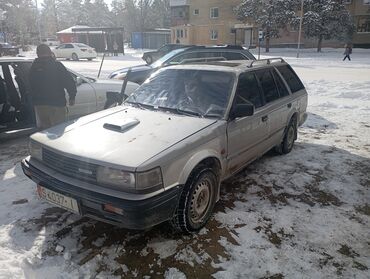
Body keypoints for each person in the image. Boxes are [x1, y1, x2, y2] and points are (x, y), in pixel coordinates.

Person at [29, 44, 77, 130]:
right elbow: (69, 82)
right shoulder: (57, 66)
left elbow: (30, 85)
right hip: (57, 103)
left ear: (37, 54)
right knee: (58, 129)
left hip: (40, 105)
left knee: (46, 129)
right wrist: (72, 96)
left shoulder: (33, 67)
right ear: (50, 52)